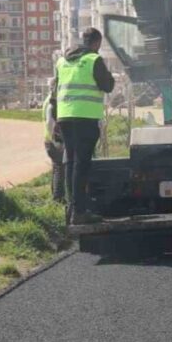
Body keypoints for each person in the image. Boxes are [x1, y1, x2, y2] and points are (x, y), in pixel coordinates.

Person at [52, 28, 115, 220]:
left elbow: (54, 91)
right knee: (81, 164)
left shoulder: (62, 62)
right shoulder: (93, 60)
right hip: (84, 118)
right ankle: (79, 211)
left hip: (65, 118)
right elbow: (108, 85)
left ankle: (72, 209)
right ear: (96, 43)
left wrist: (55, 120)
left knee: (70, 162)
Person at [42, 80, 65, 203]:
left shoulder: (48, 100)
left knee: (57, 168)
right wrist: (56, 141)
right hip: (54, 141)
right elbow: (50, 122)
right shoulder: (52, 102)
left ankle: (56, 196)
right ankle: (58, 199)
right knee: (59, 169)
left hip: (49, 140)